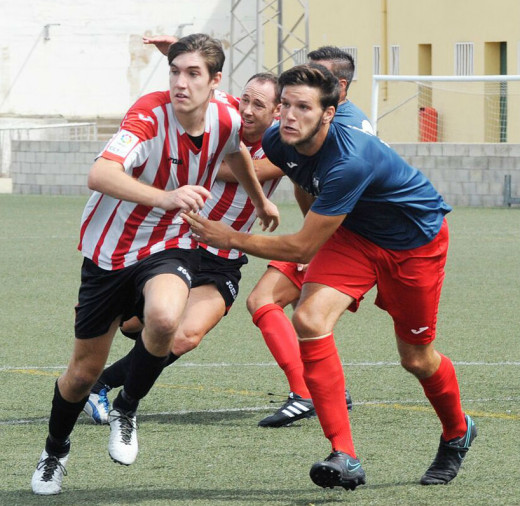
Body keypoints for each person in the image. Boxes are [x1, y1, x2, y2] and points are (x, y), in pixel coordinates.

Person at [182, 63, 477, 491]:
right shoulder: (277, 140)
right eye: (285, 104)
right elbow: (303, 182)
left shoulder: (350, 161)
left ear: (328, 114)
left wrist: (232, 237)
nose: (288, 115)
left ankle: (457, 432)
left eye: (303, 107)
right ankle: (345, 455)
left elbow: (301, 247)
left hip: (414, 244)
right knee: (309, 319)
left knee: (416, 359)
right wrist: (309, 224)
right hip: (354, 236)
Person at [31, 33, 278, 495]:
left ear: (215, 81)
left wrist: (260, 199)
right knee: (82, 374)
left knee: (166, 319)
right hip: (109, 252)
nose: (180, 83)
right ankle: (55, 451)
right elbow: (100, 173)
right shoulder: (148, 113)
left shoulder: (226, 115)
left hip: (169, 244)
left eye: (192, 73)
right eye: (174, 71)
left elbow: (235, 151)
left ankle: (126, 407)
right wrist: (166, 197)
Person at [83, 72, 286, 425]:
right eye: (245, 100)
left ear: (279, 111)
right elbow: (195, 88)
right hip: (181, 243)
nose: (248, 110)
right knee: (137, 323)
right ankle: (117, 329)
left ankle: (105, 386)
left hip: (225, 257)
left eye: (259, 104)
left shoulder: (283, 145)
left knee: (187, 335)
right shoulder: (221, 119)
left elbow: (247, 168)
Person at [247, 46, 368, 428]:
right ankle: (316, 393)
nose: (304, 85)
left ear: (339, 89)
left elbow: (260, 170)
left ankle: (307, 394)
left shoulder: (341, 131)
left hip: (355, 242)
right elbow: (303, 180)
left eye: (317, 76)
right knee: (275, 305)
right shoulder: (313, 126)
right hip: (328, 234)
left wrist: (204, 162)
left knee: (269, 301)